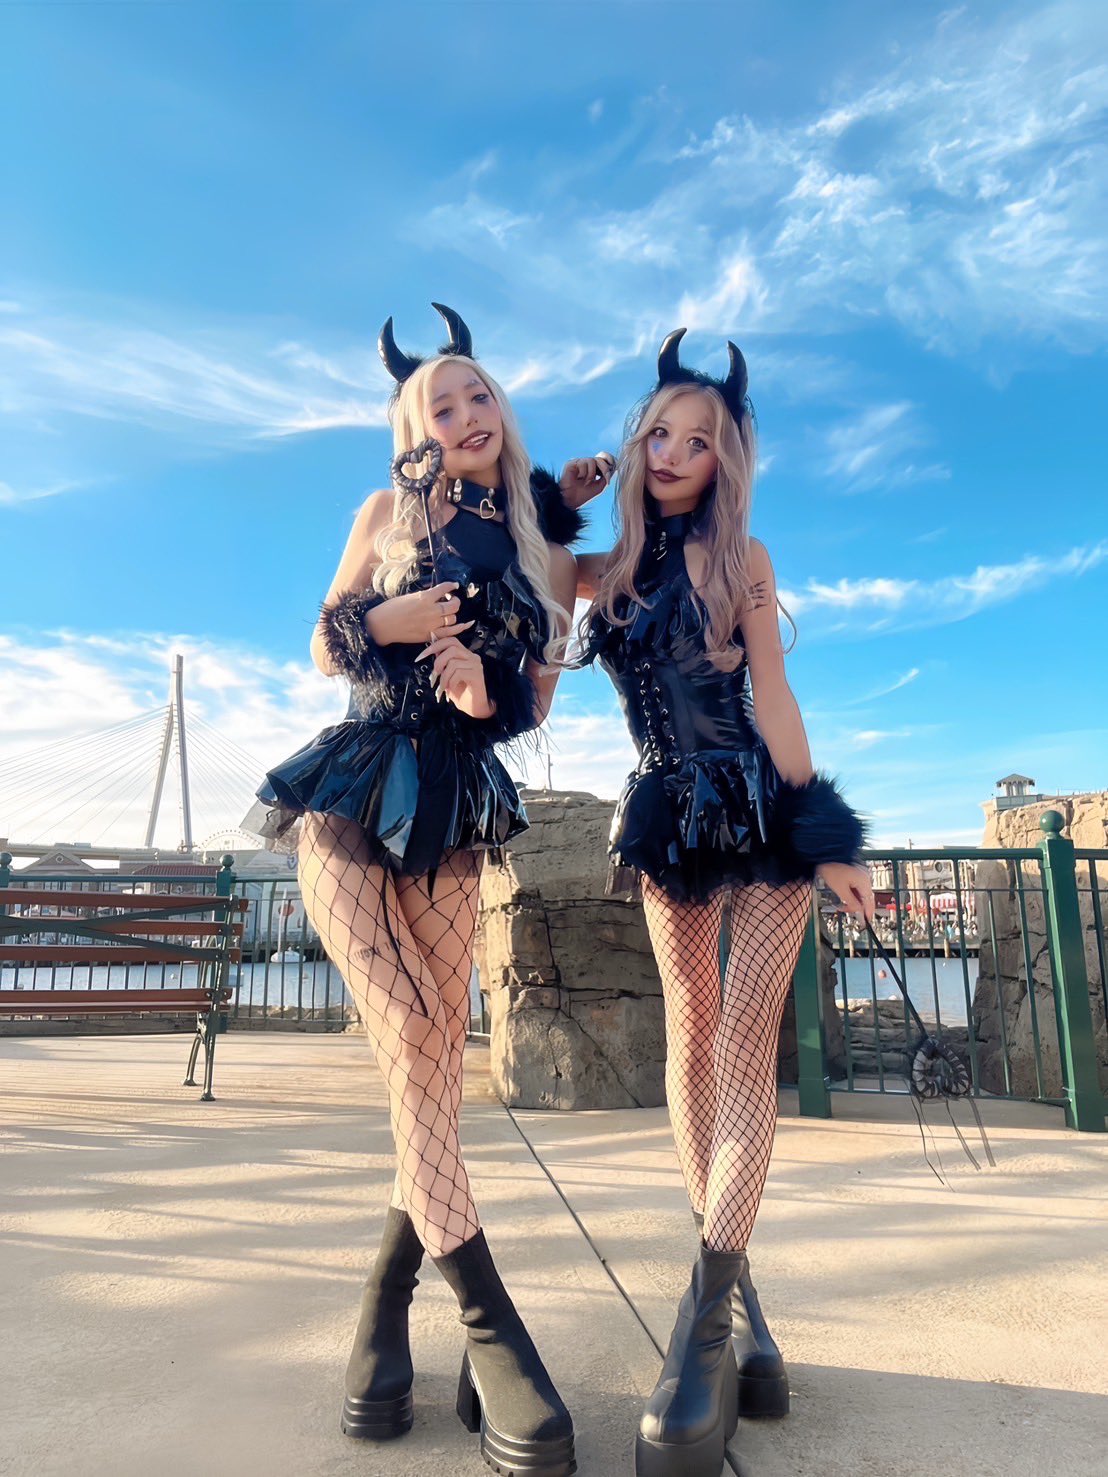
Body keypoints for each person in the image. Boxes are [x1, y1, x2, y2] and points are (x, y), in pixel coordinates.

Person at [247, 305, 603, 1477]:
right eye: (438, 406)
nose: (463, 415)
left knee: (436, 1065)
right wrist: (387, 619)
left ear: (502, 410)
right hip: (351, 788)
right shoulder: (382, 514)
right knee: (406, 1026)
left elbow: (532, 702)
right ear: (416, 430)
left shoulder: (542, 553)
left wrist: (477, 689)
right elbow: (323, 645)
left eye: (477, 395)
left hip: (453, 805)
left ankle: (384, 1309)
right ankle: (496, 1336)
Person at [571, 329, 874, 1477]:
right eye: (659, 432)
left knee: (746, 1043)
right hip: (664, 811)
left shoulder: (744, 556)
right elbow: (508, 579)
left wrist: (828, 837)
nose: (672, 451)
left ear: (724, 457)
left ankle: (701, 1325)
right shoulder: (607, 569)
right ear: (637, 440)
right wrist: (556, 502)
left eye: (698, 440)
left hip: (759, 808)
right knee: (692, 1035)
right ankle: (740, 1302)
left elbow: (775, 693)